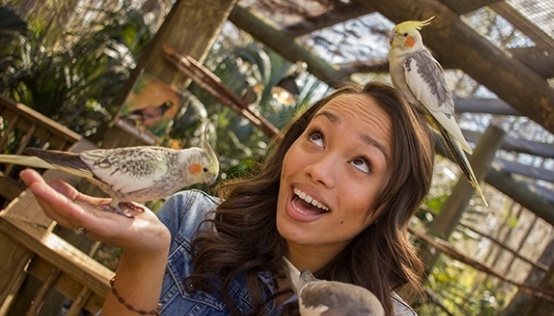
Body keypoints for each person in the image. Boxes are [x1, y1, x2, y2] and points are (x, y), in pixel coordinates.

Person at [20, 81, 435, 316]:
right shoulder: (190, 222)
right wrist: (146, 257)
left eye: (361, 163)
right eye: (317, 136)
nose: (319, 169)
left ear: (389, 204)